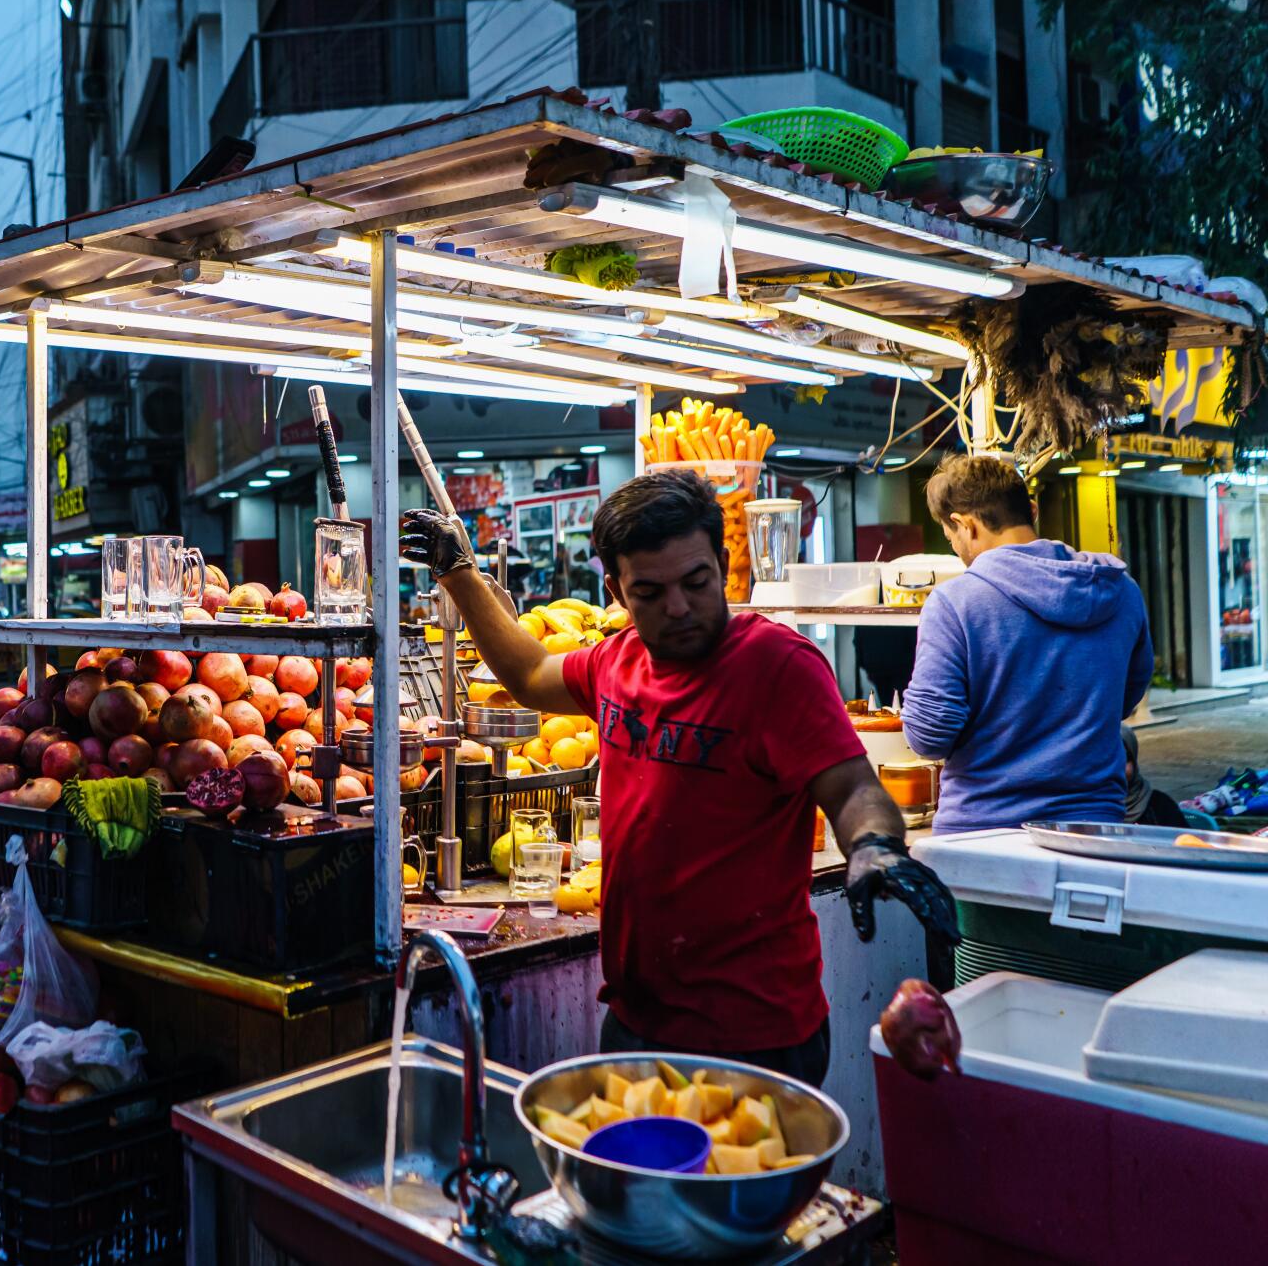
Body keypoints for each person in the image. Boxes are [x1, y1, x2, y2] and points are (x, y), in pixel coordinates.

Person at [403, 471, 958, 1087]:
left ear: (721, 563)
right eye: (649, 591)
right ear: (615, 589)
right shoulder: (615, 663)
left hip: (757, 1034)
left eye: (696, 582)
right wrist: (459, 574)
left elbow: (852, 788)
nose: (678, 607)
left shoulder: (778, 666)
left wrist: (875, 847)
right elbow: (530, 673)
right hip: (638, 1020)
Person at [902, 455, 1154, 834]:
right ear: (1031, 511)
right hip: (1094, 828)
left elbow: (929, 735)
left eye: (951, 536)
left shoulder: (954, 601)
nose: (956, 547)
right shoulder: (1121, 592)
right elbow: (1126, 697)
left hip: (982, 834)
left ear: (964, 525)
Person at [1122, 724, 1188, 828]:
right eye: (1106, 760)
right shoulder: (1088, 807)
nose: (1114, 768)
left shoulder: (1160, 806)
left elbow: (1182, 841)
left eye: (1124, 759)